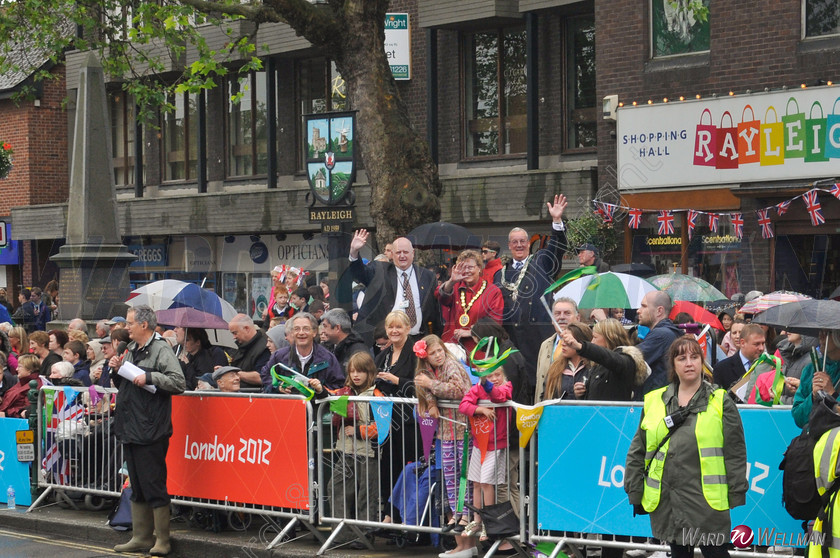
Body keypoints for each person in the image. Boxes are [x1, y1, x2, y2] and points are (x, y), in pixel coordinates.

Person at [625, 336, 747, 558]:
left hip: (707, 503)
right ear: (673, 365)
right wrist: (634, 489)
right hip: (668, 501)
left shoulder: (720, 400)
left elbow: (735, 451)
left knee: (717, 554)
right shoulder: (654, 400)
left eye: (694, 357)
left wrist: (736, 491)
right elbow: (638, 450)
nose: (689, 363)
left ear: (702, 362)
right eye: (682, 358)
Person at [109, 305, 185, 556]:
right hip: (130, 425)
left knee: (153, 483)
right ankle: (141, 536)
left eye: (130, 323)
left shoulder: (161, 348)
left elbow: (177, 382)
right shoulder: (130, 349)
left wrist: (149, 377)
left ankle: (162, 539)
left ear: (144, 325)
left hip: (151, 427)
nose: (126, 327)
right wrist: (116, 368)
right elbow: (124, 384)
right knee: (138, 484)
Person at [494, 194, 569, 395]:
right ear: (509, 246)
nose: (519, 245)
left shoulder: (542, 261)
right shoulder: (499, 274)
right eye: (514, 242)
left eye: (523, 241)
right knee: (515, 391)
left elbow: (557, 248)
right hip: (511, 343)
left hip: (537, 339)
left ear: (529, 243)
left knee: (541, 390)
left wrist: (556, 221)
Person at [413, 335, 473, 556]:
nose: (438, 355)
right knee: (451, 483)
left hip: (463, 430)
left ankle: (468, 541)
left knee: (463, 481)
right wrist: (430, 400)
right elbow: (423, 386)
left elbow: (458, 390)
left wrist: (431, 385)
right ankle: (463, 544)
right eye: (433, 353)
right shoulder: (428, 372)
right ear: (425, 357)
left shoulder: (451, 366)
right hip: (445, 434)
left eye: (440, 350)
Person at [312, 352, 383, 531]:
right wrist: (319, 389)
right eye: (352, 371)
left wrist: (358, 431)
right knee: (335, 488)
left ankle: (365, 535)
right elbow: (327, 397)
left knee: (365, 496)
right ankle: (342, 533)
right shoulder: (344, 392)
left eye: (360, 371)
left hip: (369, 454)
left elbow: (382, 427)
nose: (356, 375)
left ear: (370, 372)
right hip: (346, 452)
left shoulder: (377, 394)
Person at [347, 232, 442, 346]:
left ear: (413, 253)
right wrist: (354, 251)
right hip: (385, 341)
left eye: (406, 252)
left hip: (419, 340)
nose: (402, 256)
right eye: (398, 252)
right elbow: (359, 273)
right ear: (392, 254)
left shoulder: (427, 276)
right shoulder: (379, 270)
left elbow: (435, 309)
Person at [458, 365, 513, 545]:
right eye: (490, 376)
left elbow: (499, 396)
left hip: (496, 445)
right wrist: (481, 409)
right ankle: (477, 519)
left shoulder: (507, 386)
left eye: (498, 374)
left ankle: (488, 522)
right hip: (479, 443)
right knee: (476, 482)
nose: (495, 378)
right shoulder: (478, 388)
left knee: (487, 483)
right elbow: (464, 405)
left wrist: (487, 385)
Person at [562, 319, 647, 402]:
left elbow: (610, 359)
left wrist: (580, 346)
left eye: (595, 337)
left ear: (609, 338)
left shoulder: (626, 359)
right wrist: (581, 395)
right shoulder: (597, 366)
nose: (592, 342)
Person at [436, 249, 504, 354]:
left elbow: (495, 323)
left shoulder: (493, 291)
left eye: (470, 267)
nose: (467, 271)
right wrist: (451, 281)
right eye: (463, 267)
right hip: (453, 349)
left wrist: (472, 332)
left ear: (479, 268)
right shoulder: (454, 286)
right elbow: (441, 297)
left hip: (479, 350)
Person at [260, 313, 345, 393]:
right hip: (288, 407)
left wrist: (320, 390)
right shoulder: (279, 356)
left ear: (314, 332)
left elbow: (338, 386)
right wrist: (278, 387)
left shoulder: (327, 358)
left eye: (306, 329)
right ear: (292, 333)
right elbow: (265, 376)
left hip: (316, 407)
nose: (301, 333)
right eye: (297, 329)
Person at [470, 317, 529, 405]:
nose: (478, 348)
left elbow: (509, 390)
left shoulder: (505, 358)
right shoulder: (509, 352)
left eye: (478, 343)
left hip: (511, 411)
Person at [636, 290, 682, 399]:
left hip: (656, 401)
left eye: (644, 306)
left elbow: (628, 360)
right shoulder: (667, 332)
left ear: (659, 311)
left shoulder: (661, 335)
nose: (638, 311)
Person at [535, 298, 581, 403]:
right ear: (552, 319)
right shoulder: (545, 345)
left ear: (578, 318)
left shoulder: (584, 345)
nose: (561, 317)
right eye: (557, 313)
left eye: (567, 313)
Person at [792, 330, 840, 429]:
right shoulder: (811, 369)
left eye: (828, 332)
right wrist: (813, 397)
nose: (821, 336)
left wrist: (832, 393)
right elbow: (798, 418)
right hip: (815, 441)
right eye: (820, 331)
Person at [538, 321, 592, 402]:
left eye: (567, 340)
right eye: (562, 339)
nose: (562, 344)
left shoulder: (593, 368)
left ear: (581, 343)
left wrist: (582, 395)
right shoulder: (555, 368)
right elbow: (544, 398)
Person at [712, 323, 765, 394]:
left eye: (763, 343)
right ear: (742, 343)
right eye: (757, 344)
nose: (761, 348)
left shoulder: (768, 366)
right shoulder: (722, 368)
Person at [228, 314, 271, 390]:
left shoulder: (264, 348)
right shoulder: (243, 346)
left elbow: (262, 377)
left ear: (247, 329)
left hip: (254, 395)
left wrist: (234, 374)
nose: (234, 337)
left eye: (235, 333)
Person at [777, 331, 819, 405]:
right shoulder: (790, 355)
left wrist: (780, 399)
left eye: (794, 326)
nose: (788, 329)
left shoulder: (812, 359)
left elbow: (811, 400)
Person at [0, 354, 43, 418]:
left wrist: (6, 414)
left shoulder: (34, 386)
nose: (17, 369)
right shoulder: (22, 382)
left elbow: (27, 409)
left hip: (17, 423)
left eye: (20, 366)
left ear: (29, 369)